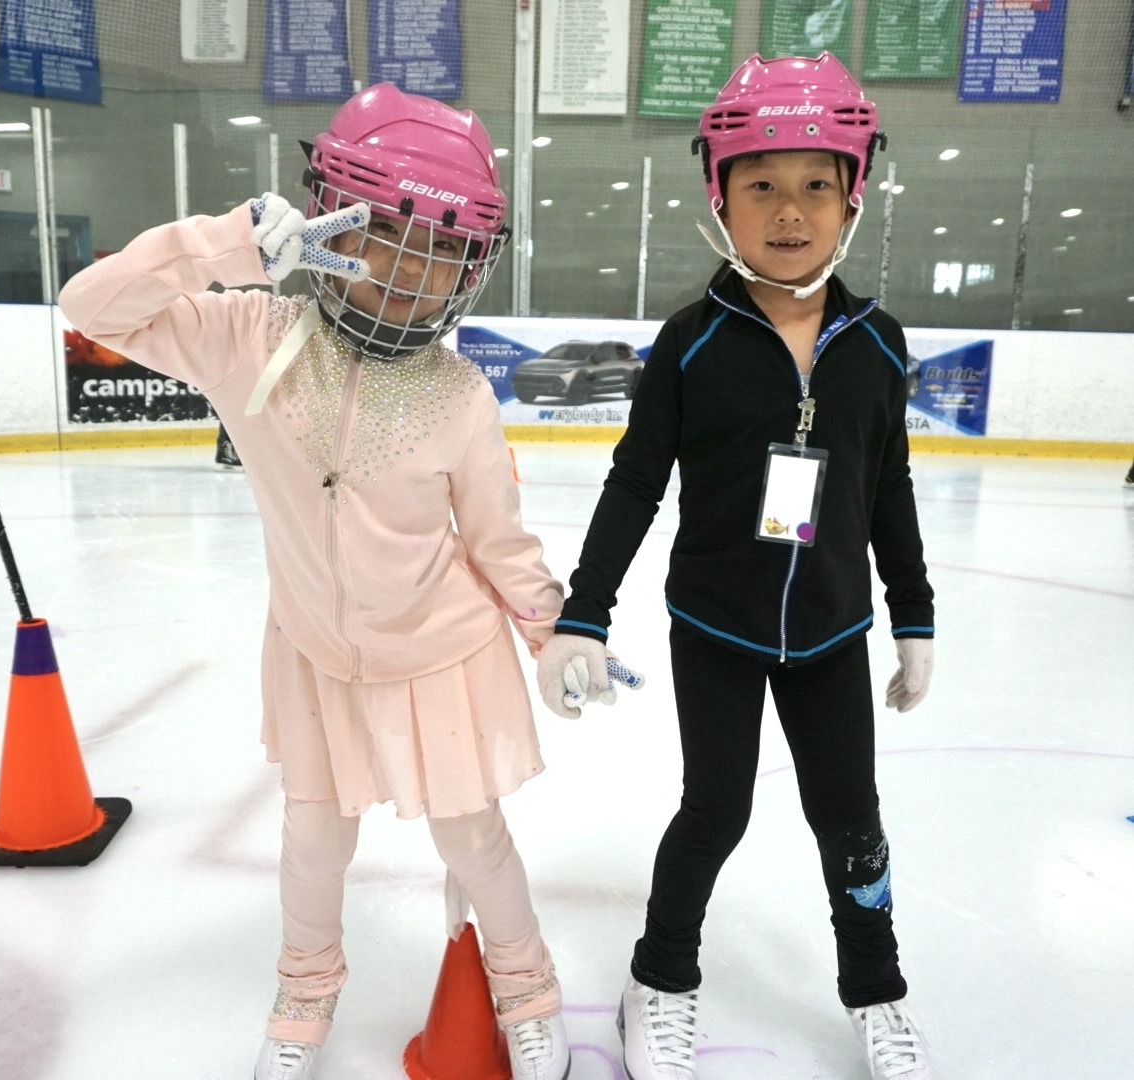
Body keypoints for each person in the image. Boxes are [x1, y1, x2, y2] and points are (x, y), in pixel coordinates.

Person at [59, 83, 570, 1080]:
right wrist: (228, 246)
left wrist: (558, 637)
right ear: (328, 215)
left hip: (444, 658)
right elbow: (91, 306)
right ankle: (304, 995)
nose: (405, 273)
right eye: (384, 232)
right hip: (317, 657)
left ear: (471, 267)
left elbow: (499, 542)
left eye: (439, 252)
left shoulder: (460, 398)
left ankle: (529, 988)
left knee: (475, 842)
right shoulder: (249, 337)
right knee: (310, 845)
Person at [536, 54, 937, 1080]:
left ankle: (876, 992)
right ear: (719, 195)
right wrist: (583, 613)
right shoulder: (688, 344)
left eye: (816, 183)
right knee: (715, 810)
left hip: (835, 630)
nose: (790, 209)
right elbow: (634, 485)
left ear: (853, 195)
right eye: (762, 183)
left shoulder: (878, 346)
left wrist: (914, 619)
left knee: (851, 821)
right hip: (714, 625)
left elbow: (886, 490)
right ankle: (660, 980)